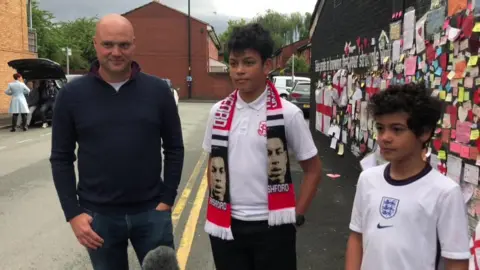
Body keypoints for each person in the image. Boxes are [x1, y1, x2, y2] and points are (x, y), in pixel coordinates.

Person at [49, 13, 184, 270]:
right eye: (108, 44)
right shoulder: (71, 95)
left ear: (134, 44)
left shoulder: (158, 92)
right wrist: (73, 214)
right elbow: (61, 158)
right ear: (95, 44)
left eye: (123, 45)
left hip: (152, 213)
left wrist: (167, 199)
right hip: (98, 218)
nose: (116, 52)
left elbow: (174, 148)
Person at [202, 23, 322, 270]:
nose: (239, 71)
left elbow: (313, 169)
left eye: (248, 62)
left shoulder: (289, 114)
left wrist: (296, 215)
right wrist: (216, 204)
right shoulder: (218, 112)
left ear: (267, 66)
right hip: (226, 227)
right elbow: (212, 163)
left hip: (273, 227)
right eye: (233, 63)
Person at [345, 83, 470, 270]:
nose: (384, 137)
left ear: (424, 132)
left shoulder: (445, 193)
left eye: (397, 129)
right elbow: (356, 237)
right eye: (380, 128)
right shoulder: (368, 179)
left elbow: (456, 262)